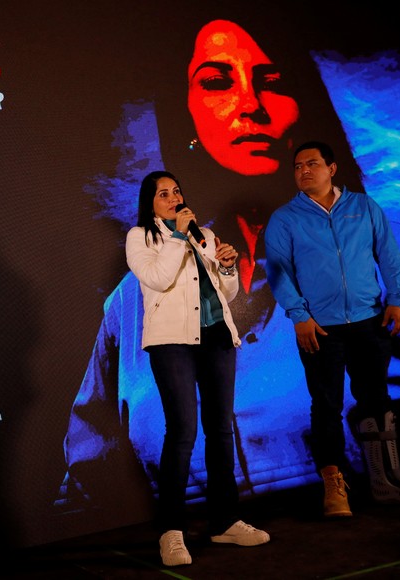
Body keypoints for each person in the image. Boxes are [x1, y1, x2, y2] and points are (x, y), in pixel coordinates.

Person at [55, 10, 400, 519]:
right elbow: (85, 493)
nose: (251, 105)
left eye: (272, 82)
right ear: (185, 116)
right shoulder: (133, 299)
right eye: (217, 81)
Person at [264, 141, 400, 517]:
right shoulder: (286, 219)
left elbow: (389, 256)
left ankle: (388, 480)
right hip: (319, 329)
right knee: (326, 406)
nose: (303, 171)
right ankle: (335, 490)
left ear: (332, 168)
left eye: (312, 164)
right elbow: (279, 272)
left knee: (376, 400)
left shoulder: (363, 207)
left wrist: (397, 298)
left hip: (369, 321)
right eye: (297, 167)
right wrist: (299, 316)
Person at [126, 169, 269, 566]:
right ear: (150, 204)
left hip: (217, 339)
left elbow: (228, 292)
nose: (173, 198)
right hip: (172, 344)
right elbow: (157, 278)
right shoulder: (142, 237)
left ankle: (225, 522)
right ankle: (171, 532)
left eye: (177, 190)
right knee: (182, 431)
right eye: (163, 194)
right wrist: (178, 236)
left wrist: (225, 265)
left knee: (221, 429)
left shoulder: (202, 233)